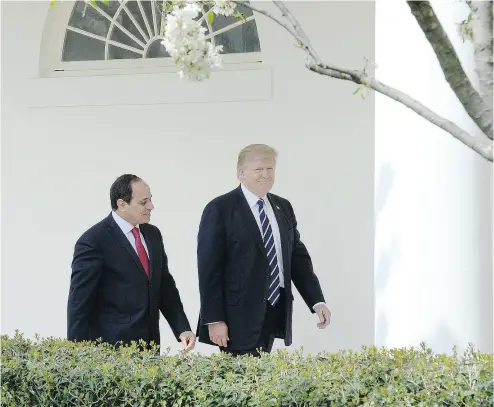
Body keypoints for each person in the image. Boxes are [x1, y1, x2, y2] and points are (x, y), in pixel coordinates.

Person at [196, 144, 331, 357]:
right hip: (235, 318)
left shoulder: (283, 207)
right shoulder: (220, 209)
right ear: (241, 173)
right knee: (239, 382)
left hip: (274, 310)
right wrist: (214, 319)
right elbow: (209, 268)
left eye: (270, 169)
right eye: (258, 169)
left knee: (261, 381)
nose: (265, 175)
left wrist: (317, 301)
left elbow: (297, 258)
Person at [67, 174, 196, 352]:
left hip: (150, 348)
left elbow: (164, 285)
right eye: (143, 202)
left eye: (150, 200)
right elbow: (79, 304)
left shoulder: (153, 234)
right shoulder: (93, 241)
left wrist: (182, 328)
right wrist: (76, 354)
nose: (151, 206)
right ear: (122, 204)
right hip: (112, 350)